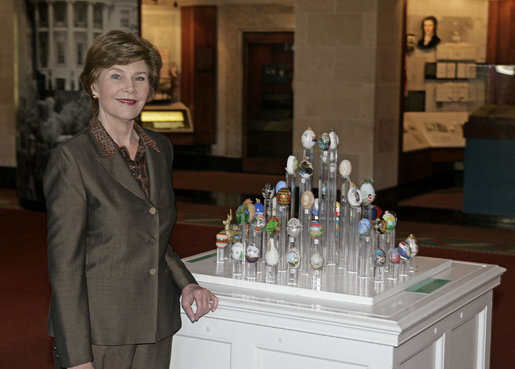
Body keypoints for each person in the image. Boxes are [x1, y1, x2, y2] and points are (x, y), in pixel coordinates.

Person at [44, 30, 218, 369]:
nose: (130, 87)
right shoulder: (72, 159)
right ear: (94, 86)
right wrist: (78, 357)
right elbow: (65, 267)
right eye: (116, 75)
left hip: (155, 324)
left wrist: (187, 283)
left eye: (140, 77)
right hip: (100, 333)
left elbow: (155, 238)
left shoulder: (159, 149)